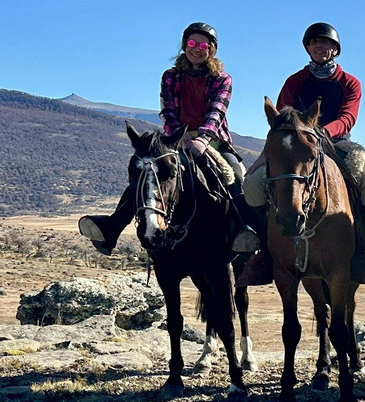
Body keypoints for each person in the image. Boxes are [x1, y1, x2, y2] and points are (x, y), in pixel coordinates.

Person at [79, 22, 258, 255]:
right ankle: (112, 227)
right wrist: (179, 137)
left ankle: (243, 232)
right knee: (146, 171)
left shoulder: (222, 78)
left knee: (234, 173)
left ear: (211, 50)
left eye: (203, 45)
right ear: (184, 45)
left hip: (212, 141)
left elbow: (217, 112)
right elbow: (167, 111)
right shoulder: (171, 76)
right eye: (192, 43)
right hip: (174, 140)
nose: (196, 49)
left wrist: (202, 139)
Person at [242, 22, 365, 286]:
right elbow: (280, 119)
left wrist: (322, 134)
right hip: (297, 147)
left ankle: (360, 252)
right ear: (308, 48)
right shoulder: (294, 81)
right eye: (314, 42)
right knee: (251, 183)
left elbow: (348, 117)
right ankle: (264, 253)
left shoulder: (350, 82)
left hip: (337, 142)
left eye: (326, 42)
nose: (320, 46)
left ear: (335, 49)